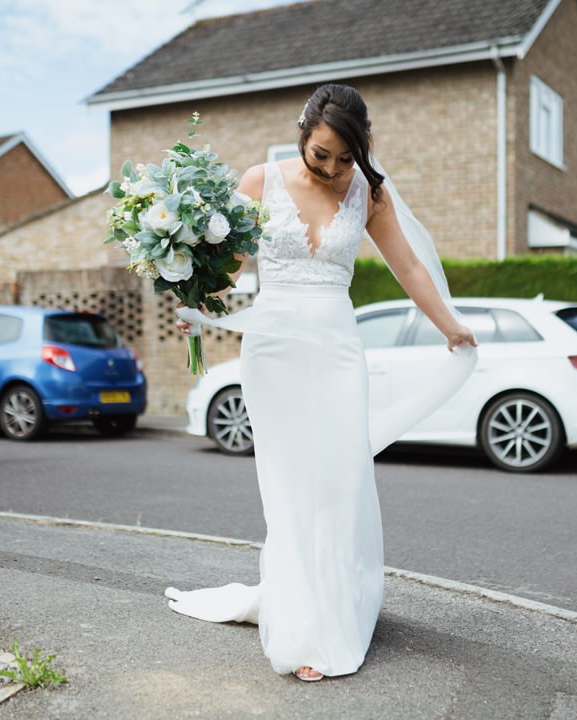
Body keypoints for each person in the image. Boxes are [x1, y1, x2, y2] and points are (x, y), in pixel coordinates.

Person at [167, 83, 478, 682]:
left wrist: (450, 325)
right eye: (321, 155)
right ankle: (302, 621)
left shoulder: (370, 193)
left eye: (345, 157)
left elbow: (407, 265)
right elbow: (225, 272)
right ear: (302, 134)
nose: (334, 168)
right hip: (274, 352)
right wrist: (192, 298)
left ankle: (336, 614)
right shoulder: (260, 181)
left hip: (337, 350)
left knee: (339, 483)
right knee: (287, 488)